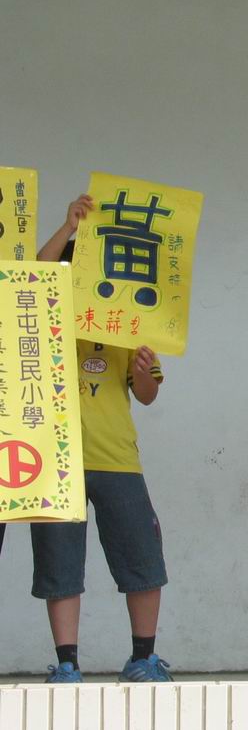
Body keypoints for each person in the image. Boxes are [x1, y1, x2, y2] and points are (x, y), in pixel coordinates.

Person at [32, 194, 172, 682]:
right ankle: (67, 663)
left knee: (142, 556)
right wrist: (68, 226)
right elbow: (33, 276)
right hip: (55, 459)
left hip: (117, 456)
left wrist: (144, 373)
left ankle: (143, 658)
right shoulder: (46, 315)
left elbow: (148, 394)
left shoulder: (129, 320)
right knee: (60, 564)